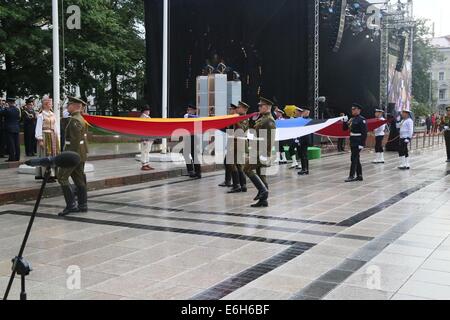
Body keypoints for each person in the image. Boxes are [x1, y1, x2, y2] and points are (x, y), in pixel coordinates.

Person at [57, 96, 89, 216]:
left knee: (62, 177)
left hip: (73, 154)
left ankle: (71, 206)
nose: (67, 106)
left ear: (75, 106)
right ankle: (82, 204)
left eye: (69, 104)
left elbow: (75, 142)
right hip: (80, 153)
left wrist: (69, 157)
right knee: (79, 178)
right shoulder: (81, 119)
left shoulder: (75, 120)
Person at [244, 97, 276, 207]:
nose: (259, 107)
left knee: (246, 168)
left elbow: (270, 139)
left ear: (267, 107)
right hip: (258, 150)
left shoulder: (269, 120)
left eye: (260, 106)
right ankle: (263, 200)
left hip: (261, 152)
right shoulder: (263, 118)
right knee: (261, 175)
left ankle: (263, 191)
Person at [35, 96, 60, 181]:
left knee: (54, 154)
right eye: (50, 103)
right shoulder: (41, 115)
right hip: (45, 135)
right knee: (46, 154)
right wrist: (40, 139)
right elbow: (38, 128)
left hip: (53, 136)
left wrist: (57, 136)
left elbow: (55, 126)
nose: (51, 105)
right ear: (45, 104)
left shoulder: (52, 114)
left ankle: (53, 174)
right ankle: (46, 174)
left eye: (51, 103)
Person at [227, 101, 250, 193]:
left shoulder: (244, 118)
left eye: (239, 107)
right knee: (238, 164)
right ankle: (242, 185)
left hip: (238, 142)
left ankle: (237, 185)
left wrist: (235, 120)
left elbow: (242, 129)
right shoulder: (238, 117)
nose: (237, 108)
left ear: (244, 109)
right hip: (236, 142)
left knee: (232, 163)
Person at [343, 103, 368, 182]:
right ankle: (359, 175)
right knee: (356, 158)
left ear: (359, 110)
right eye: (352, 109)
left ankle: (351, 176)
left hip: (358, 141)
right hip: (353, 140)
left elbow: (364, 133)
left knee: (353, 158)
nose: (352, 110)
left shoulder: (362, 119)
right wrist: (344, 121)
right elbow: (345, 129)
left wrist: (362, 144)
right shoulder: (351, 119)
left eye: (354, 109)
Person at [219, 104, 236, 187]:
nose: (230, 111)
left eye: (231, 109)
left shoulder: (236, 120)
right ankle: (228, 181)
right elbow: (227, 130)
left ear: (234, 110)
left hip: (235, 144)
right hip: (231, 144)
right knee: (228, 162)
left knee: (231, 163)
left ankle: (235, 182)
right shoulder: (231, 119)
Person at [183, 104, 202, 179]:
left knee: (194, 156)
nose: (188, 111)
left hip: (194, 138)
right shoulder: (187, 116)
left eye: (190, 110)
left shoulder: (196, 118)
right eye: (188, 110)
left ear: (194, 111)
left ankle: (198, 172)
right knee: (185, 154)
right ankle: (191, 170)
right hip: (187, 138)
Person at [0, 97, 21, 162]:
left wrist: (2, 106)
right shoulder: (17, 110)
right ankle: (17, 157)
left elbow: (1, 113)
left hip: (9, 129)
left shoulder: (7, 110)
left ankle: (12, 158)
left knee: (11, 144)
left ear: (8, 103)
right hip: (16, 128)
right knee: (17, 144)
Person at [298, 107, 313, 175]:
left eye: (303, 112)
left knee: (303, 154)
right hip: (304, 139)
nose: (302, 113)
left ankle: (304, 169)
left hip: (304, 139)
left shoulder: (307, 120)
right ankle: (305, 169)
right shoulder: (305, 119)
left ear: (307, 112)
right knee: (304, 154)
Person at [140, 106, 154, 171]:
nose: (149, 111)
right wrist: (144, 139)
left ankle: (147, 163)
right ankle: (144, 165)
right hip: (145, 138)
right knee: (144, 151)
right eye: (148, 110)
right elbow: (142, 129)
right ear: (144, 111)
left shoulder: (148, 117)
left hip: (149, 137)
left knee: (147, 151)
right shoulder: (142, 117)